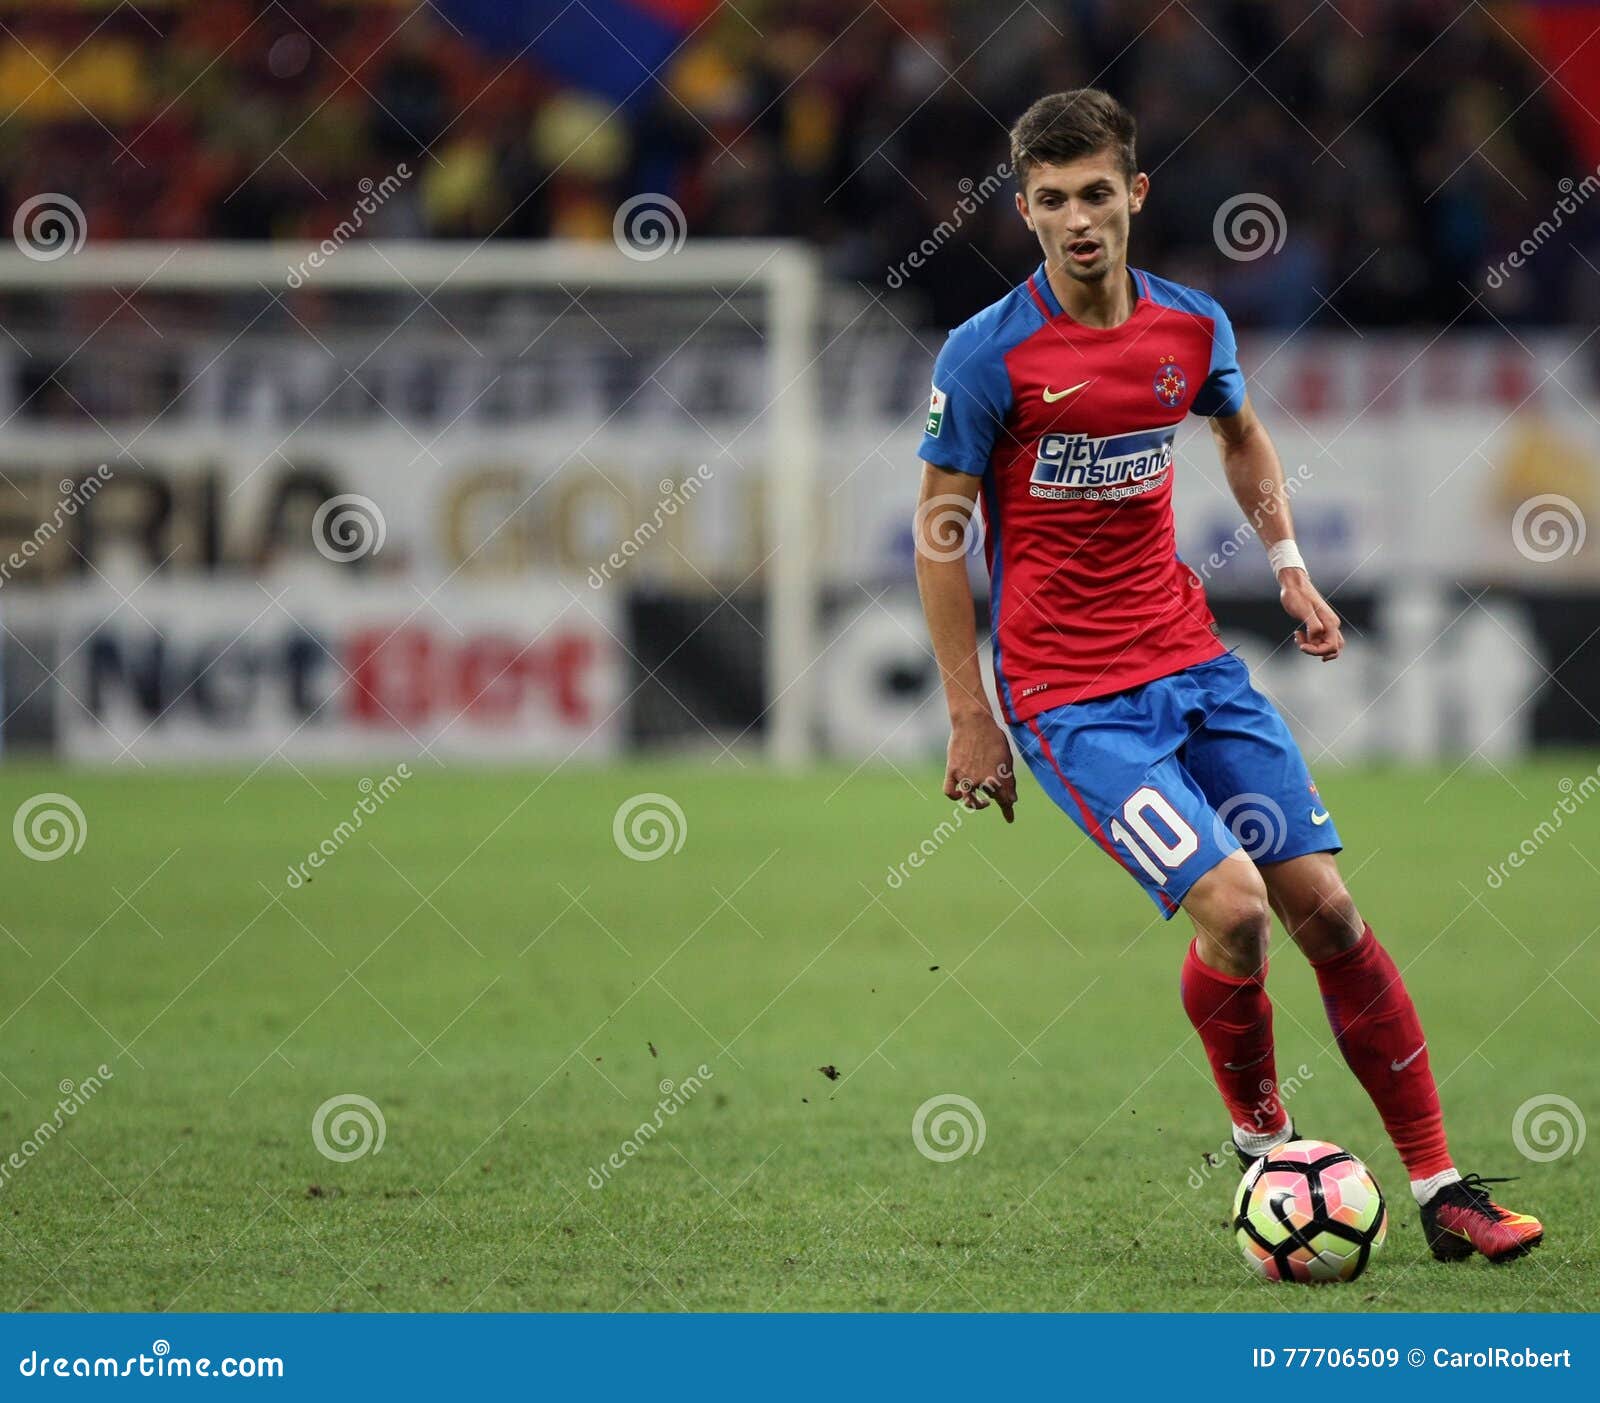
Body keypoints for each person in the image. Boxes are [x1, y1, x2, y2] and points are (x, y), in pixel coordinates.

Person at [911, 88, 1542, 1264]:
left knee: (1332, 913)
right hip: (1074, 701)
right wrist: (970, 708)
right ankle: (1268, 1148)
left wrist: (1290, 567)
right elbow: (939, 532)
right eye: (1050, 201)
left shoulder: (1190, 327)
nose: (1077, 219)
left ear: (1133, 194)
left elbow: (1239, 432)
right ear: (1026, 210)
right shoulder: (988, 354)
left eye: (1096, 193)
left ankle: (1443, 1190)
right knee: (1239, 908)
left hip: (1194, 666)